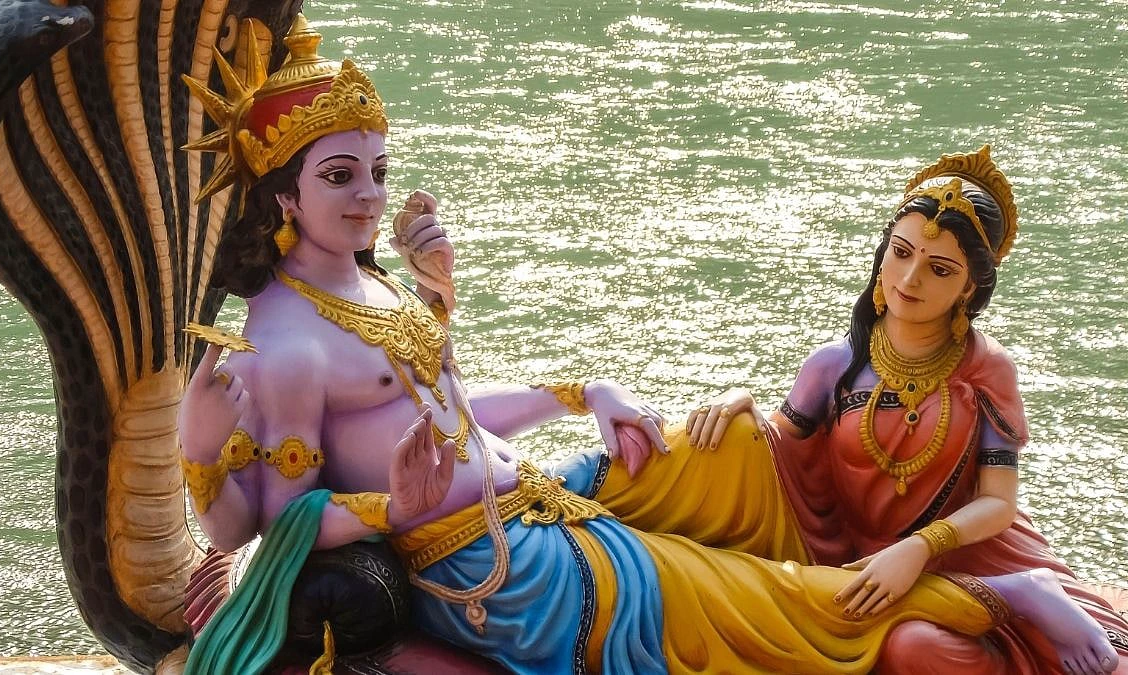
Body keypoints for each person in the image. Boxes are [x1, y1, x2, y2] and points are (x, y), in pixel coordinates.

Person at [176, 19, 1116, 675]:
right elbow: (274, 520)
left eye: (378, 171)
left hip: (543, 496)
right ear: (283, 194)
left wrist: (585, 391)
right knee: (769, 608)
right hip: (499, 572)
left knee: (721, 448)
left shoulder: (366, 283)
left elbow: (451, 412)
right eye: (340, 176)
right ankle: (1002, 600)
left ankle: (881, 553)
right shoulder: (284, 343)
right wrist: (387, 505)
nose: (370, 198)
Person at [687, 145, 1127, 674]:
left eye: (939, 269)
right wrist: (741, 406)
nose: (910, 277)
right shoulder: (834, 365)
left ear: (969, 287)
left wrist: (920, 548)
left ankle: (1021, 593)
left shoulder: (986, 369)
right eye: (900, 252)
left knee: (914, 647)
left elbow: (998, 501)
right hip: (857, 561)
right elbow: (777, 462)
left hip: (968, 557)